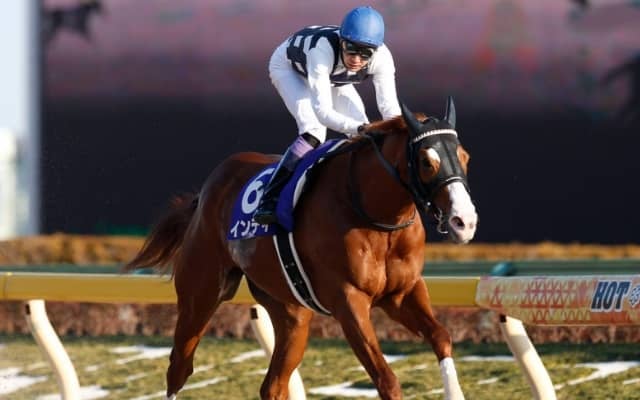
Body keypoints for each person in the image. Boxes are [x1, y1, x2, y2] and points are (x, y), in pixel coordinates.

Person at [253, 5, 402, 225]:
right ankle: (270, 198)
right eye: (351, 48)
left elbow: (390, 109)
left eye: (365, 53)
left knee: (363, 136)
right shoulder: (322, 50)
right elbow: (323, 112)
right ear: (342, 41)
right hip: (290, 69)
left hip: (332, 76)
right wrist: (362, 128)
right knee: (314, 132)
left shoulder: (383, 58)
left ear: (376, 51)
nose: (356, 59)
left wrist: (401, 130)